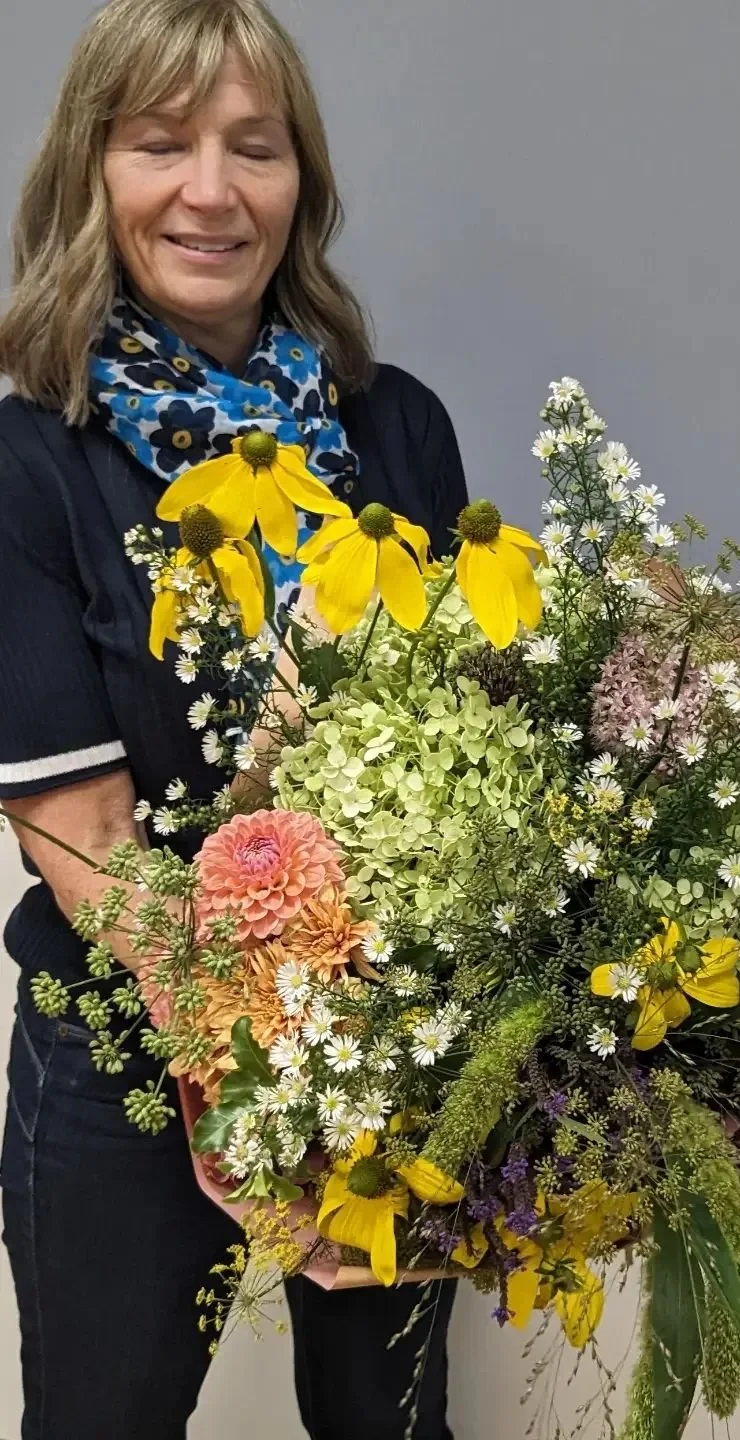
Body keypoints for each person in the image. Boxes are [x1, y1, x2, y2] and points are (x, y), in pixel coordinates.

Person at [0, 2, 466, 1435]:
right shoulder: (29, 461)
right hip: (131, 1060)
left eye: (253, 148)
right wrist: (269, 1068)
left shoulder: (396, 428)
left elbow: (467, 750)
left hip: (391, 1046)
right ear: (91, 170)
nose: (211, 190)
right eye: (162, 143)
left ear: (299, 183)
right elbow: (84, 841)